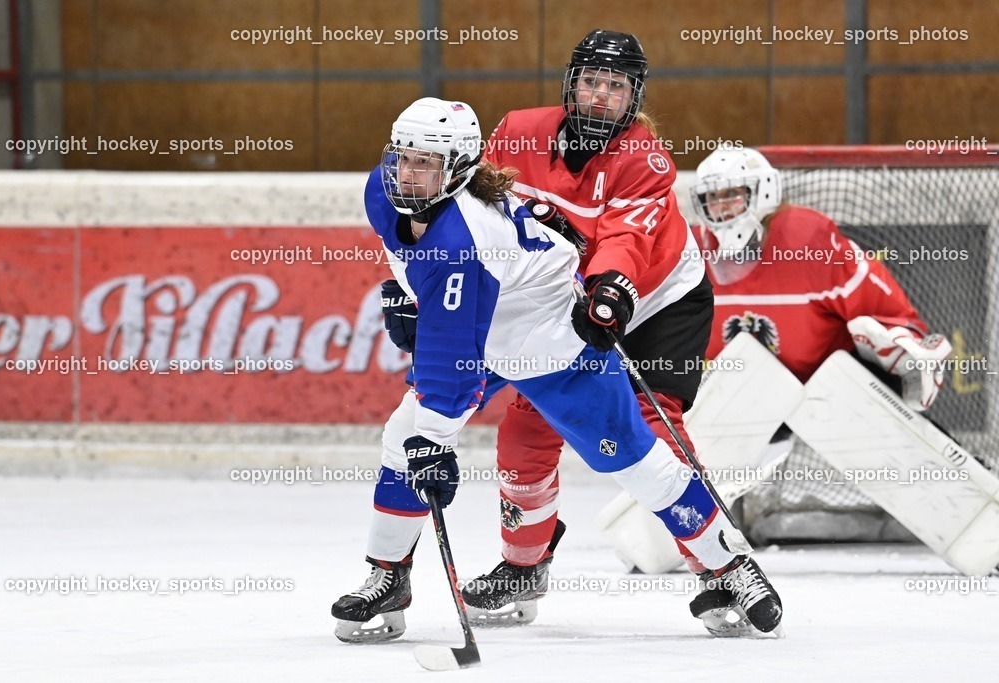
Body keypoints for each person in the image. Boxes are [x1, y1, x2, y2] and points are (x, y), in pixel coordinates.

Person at [330, 97, 783, 643]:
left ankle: (728, 564)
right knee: (402, 437)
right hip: (486, 317)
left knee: (636, 459)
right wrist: (409, 293)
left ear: (458, 170)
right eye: (402, 158)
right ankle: (387, 573)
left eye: (426, 164)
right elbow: (423, 271)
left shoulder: (466, 245)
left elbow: (451, 373)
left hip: (549, 344)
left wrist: (435, 440)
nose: (407, 175)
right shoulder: (385, 192)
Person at [455, 29, 721, 628]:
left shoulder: (646, 158)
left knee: (657, 427)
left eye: (616, 87)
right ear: (572, 83)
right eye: (592, 82)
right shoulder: (518, 131)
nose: (601, 97)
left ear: (634, 97)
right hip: (568, 299)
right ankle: (524, 565)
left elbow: (626, 241)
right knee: (526, 428)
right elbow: (475, 212)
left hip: (659, 299)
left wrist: (608, 289)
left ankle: (719, 567)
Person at [691, 146, 951, 408]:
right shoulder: (691, 252)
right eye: (712, 197)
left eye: (732, 194)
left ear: (764, 191)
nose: (721, 207)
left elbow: (888, 312)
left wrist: (903, 343)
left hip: (833, 394)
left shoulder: (808, 243)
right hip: (752, 400)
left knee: (873, 339)